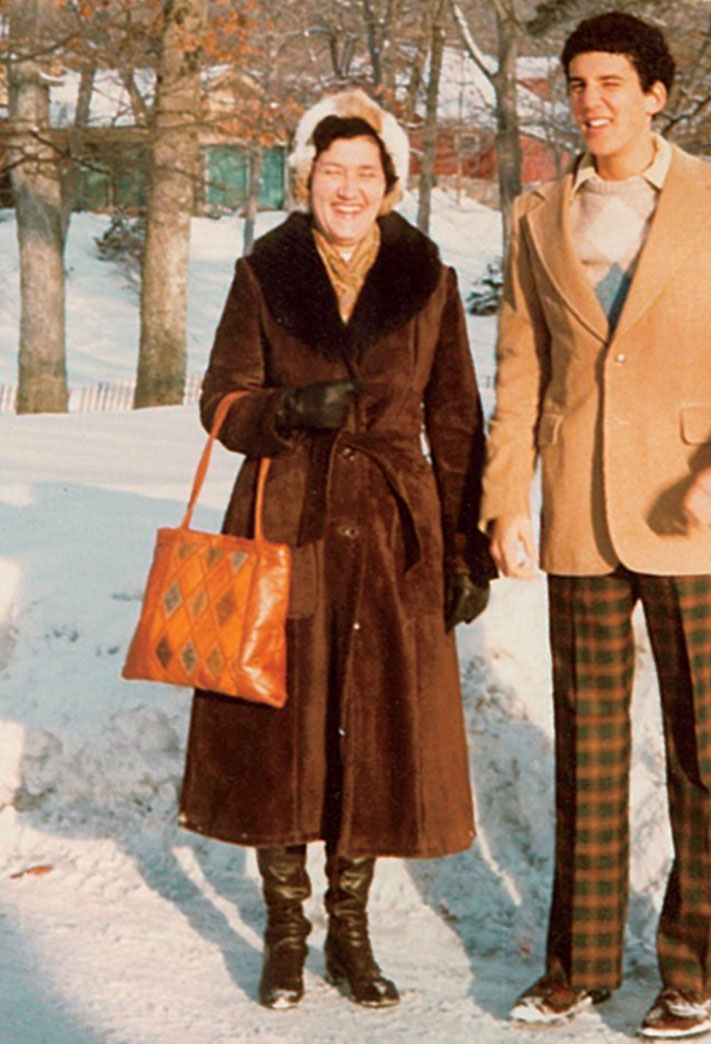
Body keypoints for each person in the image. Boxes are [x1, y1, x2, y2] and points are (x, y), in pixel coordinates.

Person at [478, 13, 711, 1035]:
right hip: (577, 506)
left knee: (701, 750)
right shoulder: (534, 214)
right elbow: (520, 372)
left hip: (688, 504)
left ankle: (699, 965)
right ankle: (578, 964)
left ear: (657, 92)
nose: (593, 101)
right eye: (578, 83)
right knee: (586, 745)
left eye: (614, 82)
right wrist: (504, 499)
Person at [179, 88, 494, 1012]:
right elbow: (221, 402)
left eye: (366, 174)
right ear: (306, 178)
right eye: (332, 171)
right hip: (288, 518)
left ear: (391, 186)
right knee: (287, 728)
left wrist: (466, 547)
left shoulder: (427, 278)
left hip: (395, 530)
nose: (347, 189)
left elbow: (455, 417)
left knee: (375, 726)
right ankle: (286, 931)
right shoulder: (265, 271)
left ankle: (352, 930)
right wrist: (284, 410)